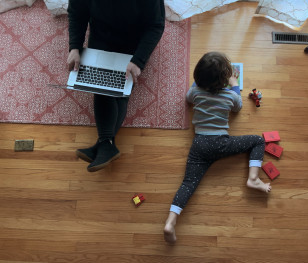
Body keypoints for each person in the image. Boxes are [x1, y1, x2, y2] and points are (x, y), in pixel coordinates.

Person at [163, 52, 272, 243]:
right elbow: (237, 108)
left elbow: (188, 99)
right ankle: (253, 178)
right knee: (258, 141)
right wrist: (235, 85)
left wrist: (198, 85)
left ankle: (170, 222)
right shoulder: (230, 95)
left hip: (199, 145)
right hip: (221, 143)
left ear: (198, 78)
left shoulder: (195, 92)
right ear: (224, 80)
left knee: (188, 183)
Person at [67, 0, 165, 172]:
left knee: (121, 87)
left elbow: (155, 26)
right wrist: (74, 47)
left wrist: (138, 61)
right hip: (101, 35)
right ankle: (107, 145)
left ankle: (105, 143)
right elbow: (77, 13)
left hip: (135, 39)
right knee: (101, 85)